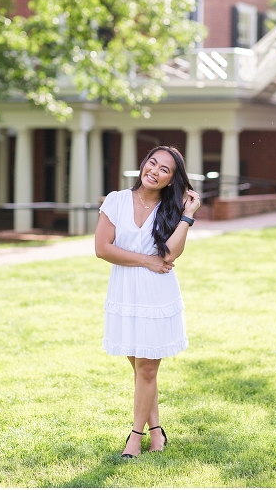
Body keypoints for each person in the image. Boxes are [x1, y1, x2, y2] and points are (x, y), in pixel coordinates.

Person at [95, 145, 201, 458]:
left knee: (147, 371)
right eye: (152, 163)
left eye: (164, 169)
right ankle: (158, 431)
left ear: (171, 180)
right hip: (125, 292)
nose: (154, 171)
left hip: (157, 294)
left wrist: (187, 216)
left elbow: (169, 255)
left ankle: (135, 437)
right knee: (140, 369)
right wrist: (146, 260)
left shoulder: (171, 209)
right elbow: (103, 248)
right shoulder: (116, 200)